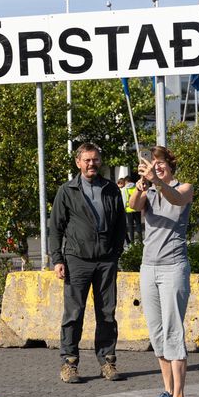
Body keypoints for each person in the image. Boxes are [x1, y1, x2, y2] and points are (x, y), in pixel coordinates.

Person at [49, 142, 127, 383]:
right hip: (77, 261)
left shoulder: (111, 189)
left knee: (107, 313)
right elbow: (55, 228)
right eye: (87, 160)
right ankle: (69, 363)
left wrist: (114, 254)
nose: (91, 164)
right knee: (74, 313)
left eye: (95, 159)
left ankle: (107, 362)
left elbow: (120, 225)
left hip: (106, 261)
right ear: (78, 163)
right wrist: (58, 259)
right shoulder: (67, 191)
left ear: (100, 161)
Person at [129, 146, 194, 397]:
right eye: (153, 164)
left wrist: (156, 182)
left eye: (161, 164)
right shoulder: (150, 190)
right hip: (149, 267)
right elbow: (133, 206)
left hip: (173, 268)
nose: (157, 168)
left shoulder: (184, 187)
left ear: (170, 165)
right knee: (156, 333)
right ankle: (168, 391)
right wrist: (142, 186)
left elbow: (177, 200)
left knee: (172, 331)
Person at [121, 175, 142, 243]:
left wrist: (123, 209)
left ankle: (132, 241)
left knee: (130, 225)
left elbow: (124, 200)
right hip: (137, 208)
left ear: (126, 181)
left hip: (129, 209)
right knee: (138, 224)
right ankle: (140, 240)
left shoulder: (124, 189)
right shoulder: (137, 187)